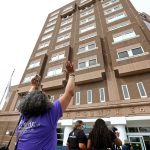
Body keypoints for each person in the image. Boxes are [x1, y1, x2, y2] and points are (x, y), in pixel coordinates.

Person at [16, 61, 75, 150]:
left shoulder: (23, 116)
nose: (49, 99)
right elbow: (69, 93)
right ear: (43, 102)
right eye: (47, 97)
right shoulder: (50, 113)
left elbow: (28, 98)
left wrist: (33, 86)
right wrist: (71, 74)